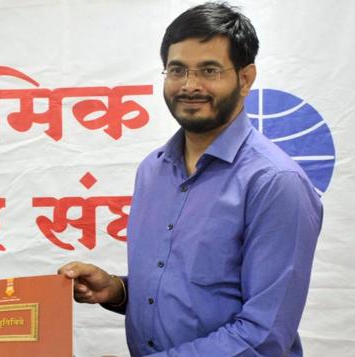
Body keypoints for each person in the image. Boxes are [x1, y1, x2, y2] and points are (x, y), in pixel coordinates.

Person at [59, 2, 323, 356]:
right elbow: (183, 293)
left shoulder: (275, 182)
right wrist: (117, 291)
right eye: (177, 70)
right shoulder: (152, 170)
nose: (189, 86)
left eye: (209, 70)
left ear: (245, 79)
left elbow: (263, 336)